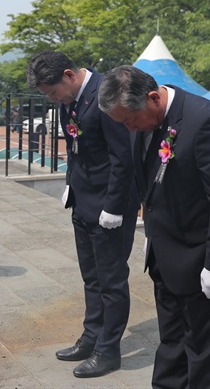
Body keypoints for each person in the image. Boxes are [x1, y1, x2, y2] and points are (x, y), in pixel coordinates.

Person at [98, 65, 210, 389]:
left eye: (129, 119)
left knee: (203, 352)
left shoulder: (206, 121)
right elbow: (150, 183)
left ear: (153, 97)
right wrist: (151, 232)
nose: (129, 127)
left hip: (203, 258)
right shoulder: (143, 119)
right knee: (171, 342)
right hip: (164, 255)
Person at [27, 51, 138, 378]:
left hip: (109, 204)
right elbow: (76, 147)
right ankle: (91, 336)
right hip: (83, 199)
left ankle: (109, 350)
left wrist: (114, 207)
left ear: (69, 75)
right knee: (91, 276)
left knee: (112, 280)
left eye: (52, 92)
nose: (53, 99)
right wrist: (69, 184)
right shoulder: (69, 101)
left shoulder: (107, 95)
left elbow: (124, 157)